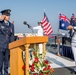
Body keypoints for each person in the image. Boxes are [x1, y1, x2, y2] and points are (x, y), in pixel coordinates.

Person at [0, 9, 14, 75]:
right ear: (3, 16)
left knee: (6, 64)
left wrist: (11, 45)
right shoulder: (0, 23)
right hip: (1, 46)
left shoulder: (11, 25)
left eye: (9, 15)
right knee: (0, 64)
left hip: (8, 47)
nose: (8, 17)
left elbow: (12, 36)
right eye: (7, 15)